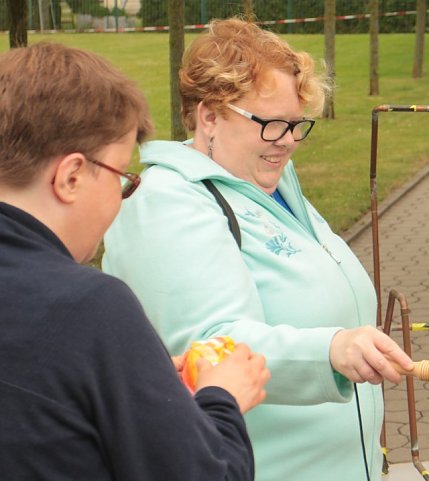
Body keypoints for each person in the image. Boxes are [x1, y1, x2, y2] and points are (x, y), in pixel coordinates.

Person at [102, 18, 413, 481]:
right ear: (209, 116)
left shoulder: (269, 182)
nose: (287, 141)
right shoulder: (164, 202)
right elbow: (211, 347)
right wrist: (333, 349)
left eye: (296, 125)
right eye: (271, 124)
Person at [0, 43, 271, 480]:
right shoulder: (89, 307)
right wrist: (222, 397)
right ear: (71, 177)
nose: (122, 197)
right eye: (122, 177)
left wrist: (137, 380)